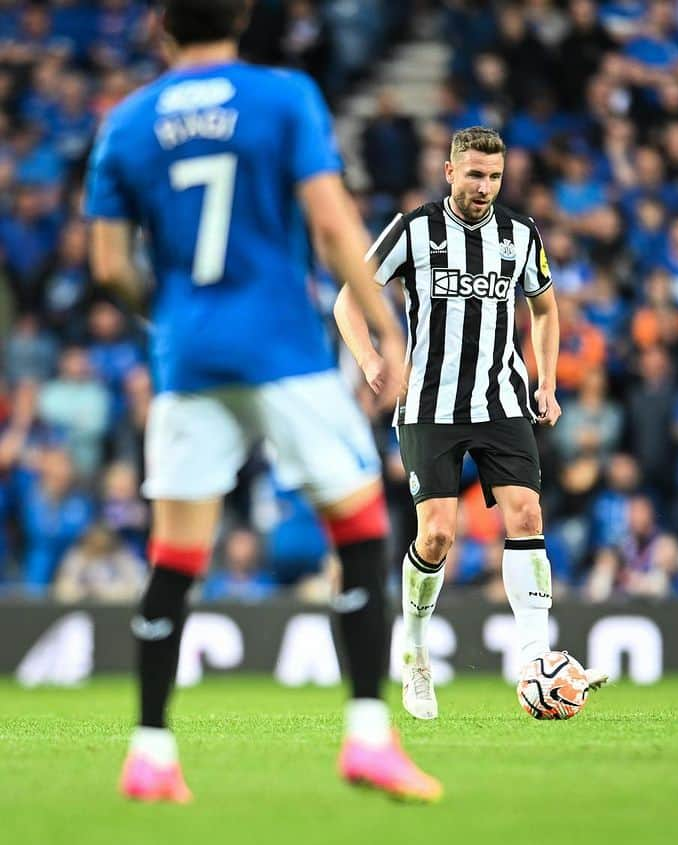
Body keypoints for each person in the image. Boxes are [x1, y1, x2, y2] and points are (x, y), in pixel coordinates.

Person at [84, 0, 439, 803]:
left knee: (174, 560)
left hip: (188, 359)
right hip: (282, 347)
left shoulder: (128, 121)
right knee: (361, 529)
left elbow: (107, 266)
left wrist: (173, 314)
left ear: (160, 28)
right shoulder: (283, 97)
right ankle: (369, 737)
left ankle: (149, 750)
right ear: (241, 18)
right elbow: (331, 222)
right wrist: (386, 327)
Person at [358, 125, 607, 722]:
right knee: (438, 533)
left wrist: (545, 380)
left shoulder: (521, 235)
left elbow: (544, 308)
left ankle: (533, 658)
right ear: (449, 172)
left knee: (527, 514)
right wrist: (370, 360)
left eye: (493, 176)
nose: (484, 186)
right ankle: (414, 648)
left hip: (500, 399)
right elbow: (350, 296)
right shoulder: (414, 229)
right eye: (473, 174)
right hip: (427, 404)